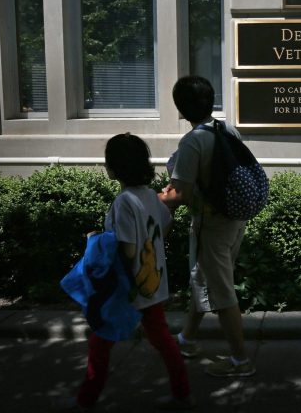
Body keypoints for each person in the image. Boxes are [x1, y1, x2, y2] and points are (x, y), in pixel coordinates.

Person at [61, 133, 194, 411]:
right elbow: (163, 226)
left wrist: (97, 238)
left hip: (125, 288)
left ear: (114, 168)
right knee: (163, 340)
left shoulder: (124, 202)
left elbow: (129, 250)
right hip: (153, 285)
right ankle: (182, 392)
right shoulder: (150, 197)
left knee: (100, 344)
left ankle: (85, 400)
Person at [159, 76, 254, 378]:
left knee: (221, 292)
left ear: (181, 109)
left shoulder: (193, 141)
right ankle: (187, 340)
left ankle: (241, 361)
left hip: (211, 225)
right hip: (235, 218)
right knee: (202, 278)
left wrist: (148, 204)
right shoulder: (226, 128)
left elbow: (179, 193)